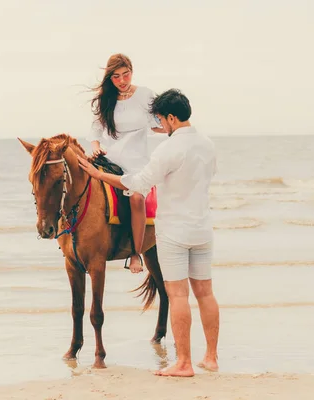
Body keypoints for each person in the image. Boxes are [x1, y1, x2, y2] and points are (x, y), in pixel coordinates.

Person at [78, 89, 220, 377]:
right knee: (205, 293)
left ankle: (183, 363)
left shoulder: (168, 149)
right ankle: (211, 357)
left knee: (178, 295)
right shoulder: (207, 144)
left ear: (170, 117)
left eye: (160, 119)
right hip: (203, 228)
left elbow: (139, 183)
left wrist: (98, 175)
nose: (159, 125)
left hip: (175, 231)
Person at [88, 53, 166, 273]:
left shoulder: (145, 95)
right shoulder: (106, 99)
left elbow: (157, 124)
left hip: (136, 159)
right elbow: (95, 129)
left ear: (132, 71)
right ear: (109, 78)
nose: (122, 81)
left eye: (126, 74)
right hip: (109, 156)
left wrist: (172, 126)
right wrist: (95, 148)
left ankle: (135, 253)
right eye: (116, 77)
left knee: (137, 198)